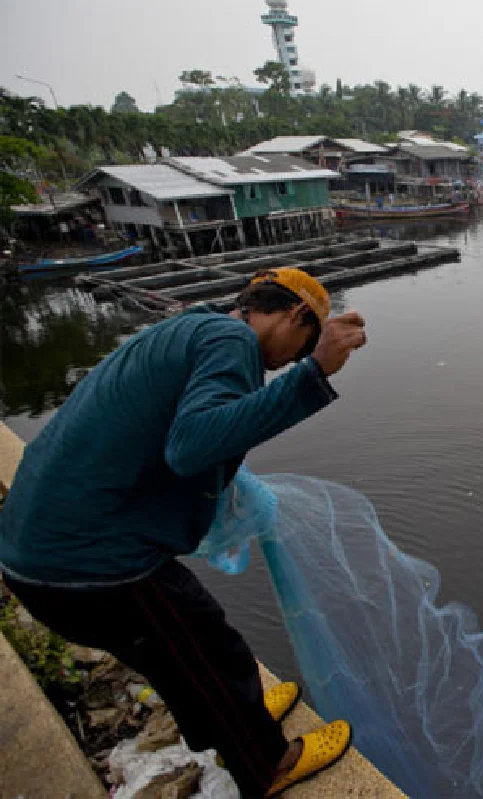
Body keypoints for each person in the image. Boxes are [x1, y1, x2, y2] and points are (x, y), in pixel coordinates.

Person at [0, 268, 366, 797]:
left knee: (193, 648)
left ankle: (234, 719)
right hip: (88, 565)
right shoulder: (233, 340)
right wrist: (312, 372)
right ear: (295, 315)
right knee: (205, 650)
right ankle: (265, 765)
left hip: (37, 550)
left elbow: (176, 433)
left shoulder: (192, 326)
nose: (287, 359)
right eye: (300, 343)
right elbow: (191, 445)